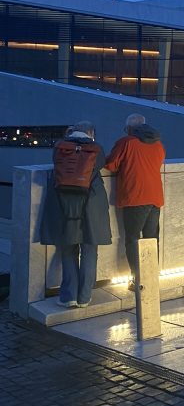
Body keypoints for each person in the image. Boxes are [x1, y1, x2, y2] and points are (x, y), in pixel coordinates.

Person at [40, 122, 112, 308]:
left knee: (68, 248)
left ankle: (68, 296)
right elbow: (102, 165)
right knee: (89, 250)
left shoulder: (60, 147)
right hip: (91, 204)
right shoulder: (97, 149)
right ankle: (85, 297)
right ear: (91, 133)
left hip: (64, 202)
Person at [105, 114, 166, 284]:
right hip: (155, 197)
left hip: (134, 196)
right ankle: (152, 277)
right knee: (151, 238)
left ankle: (138, 280)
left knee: (132, 239)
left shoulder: (126, 142)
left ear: (130, 129)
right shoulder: (158, 143)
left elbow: (111, 165)